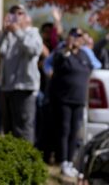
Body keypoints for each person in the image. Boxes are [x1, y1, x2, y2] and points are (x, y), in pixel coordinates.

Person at [45, 28, 96, 177]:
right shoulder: (62, 52)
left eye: (79, 37)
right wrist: (67, 48)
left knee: (74, 131)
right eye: (74, 36)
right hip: (63, 99)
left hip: (79, 99)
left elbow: (94, 66)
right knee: (64, 130)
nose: (77, 39)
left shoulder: (85, 54)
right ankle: (63, 161)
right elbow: (55, 63)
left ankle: (70, 162)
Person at [0, 4, 43, 143]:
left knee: (23, 127)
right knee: (8, 128)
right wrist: (5, 32)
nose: (16, 16)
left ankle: (26, 162)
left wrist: (18, 31)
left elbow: (33, 50)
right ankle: (10, 161)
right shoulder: (8, 35)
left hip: (25, 87)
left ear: (27, 17)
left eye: (20, 13)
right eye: (13, 13)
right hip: (7, 87)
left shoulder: (32, 33)